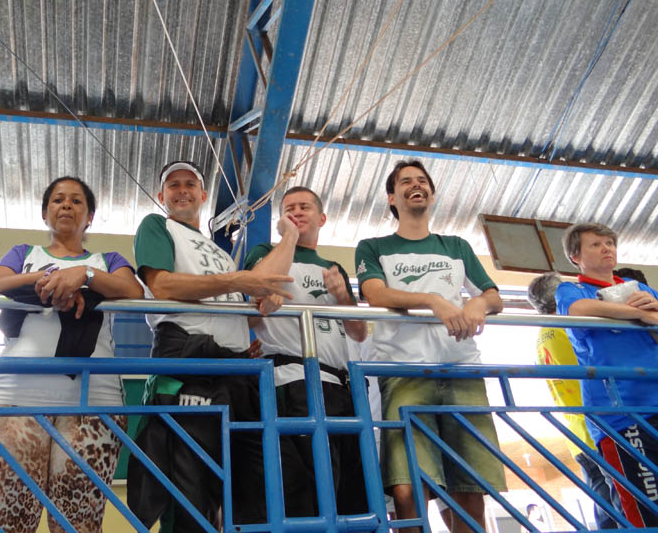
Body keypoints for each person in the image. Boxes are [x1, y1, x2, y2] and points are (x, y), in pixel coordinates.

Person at [126, 160, 293, 532]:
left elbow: (239, 313)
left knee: (250, 495)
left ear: (203, 195)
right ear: (162, 195)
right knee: (189, 495)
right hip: (189, 365)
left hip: (237, 372)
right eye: (173, 185)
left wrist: (264, 303)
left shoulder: (222, 255)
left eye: (190, 184)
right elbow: (163, 286)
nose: (182, 190)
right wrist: (235, 280)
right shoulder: (158, 226)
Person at [0, 176, 144, 533]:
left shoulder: (107, 260)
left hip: (93, 402)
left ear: (90, 216)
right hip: (13, 398)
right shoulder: (23, 254)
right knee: (6, 520)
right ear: (45, 213)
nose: (66, 205)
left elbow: (133, 290)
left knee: (78, 523)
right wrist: (49, 280)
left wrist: (84, 275)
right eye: (58, 199)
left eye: (77, 201)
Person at [355, 159, 506, 533]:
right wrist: (432, 300)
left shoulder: (456, 246)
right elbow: (375, 294)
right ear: (392, 198)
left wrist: (479, 302)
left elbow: (494, 296)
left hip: (461, 369)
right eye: (405, 181)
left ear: (432, 195)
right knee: (408, 487)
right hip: (404, 372)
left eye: (422, 180)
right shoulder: (373, 247)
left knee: (469, 487)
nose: (415, 185)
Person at [243, 185, 368, 516]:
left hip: (340, 385)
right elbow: (254, 288)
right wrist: (288, 238)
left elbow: (359, 332)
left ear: (321, 218)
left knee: (347, 489)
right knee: (308, 488)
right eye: (289, 209)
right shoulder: (265, 252)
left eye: (304, 207)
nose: (296, 212)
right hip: (293, 379)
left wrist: (343, 297)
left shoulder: (333, 266)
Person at [555, 222, 658, 528]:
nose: (606, 249)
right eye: (596, 244)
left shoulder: (639, 288)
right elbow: (577, 309)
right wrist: (639, 313)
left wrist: (654, 309)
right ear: (575, 256)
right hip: (621, 415)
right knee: (644, 510)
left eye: (610, 243)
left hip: (654, 401)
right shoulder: (571, 290)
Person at [528, 272, 617, 529]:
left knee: (607, 511)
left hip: (578, 434)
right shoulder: (569, 326)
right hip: (600, 428)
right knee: (622, 507)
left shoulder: (542, 335)